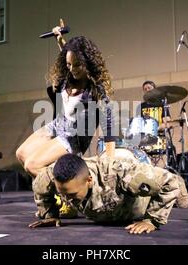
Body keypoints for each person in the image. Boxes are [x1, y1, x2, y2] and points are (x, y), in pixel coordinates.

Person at [16, 20, 116, 178]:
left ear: (88, 63)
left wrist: (111, 161)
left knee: (32, 165)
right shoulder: (67, 76)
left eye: (77, 65)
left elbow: (109, 123)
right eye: (69, 65)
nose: (72, 69)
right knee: (21, 154)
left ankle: (67, 191)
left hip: (72, 136)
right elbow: (68, 52)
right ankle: (58, 183)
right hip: (58, 124)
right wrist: (60, 39)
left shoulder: (96, 89)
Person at [29, 153, 188, 234]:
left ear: (89, 180)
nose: (65, 199)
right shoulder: (51, 176)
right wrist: (50, 215)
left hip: (135, 196)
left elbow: (169, 183)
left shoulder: (122, 175)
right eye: (62, 193)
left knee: (182, 201)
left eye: (71, 194)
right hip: (107, 200)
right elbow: (40, 187)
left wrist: (152, 220)